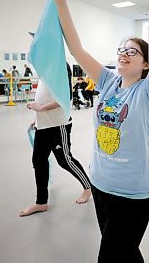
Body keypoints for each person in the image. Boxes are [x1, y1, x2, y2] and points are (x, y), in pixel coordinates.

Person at [49, 0, 149, 262]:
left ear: (144, 64)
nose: (124, 54)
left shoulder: (148, 91)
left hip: (134, 193)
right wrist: (61, 3)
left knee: (109, 256)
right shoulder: (109, 82)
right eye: (121, 50)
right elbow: (77, 50)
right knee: (124, 253)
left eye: (132, 51)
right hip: (101, 185)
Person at [20, 69, 92, 217]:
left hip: (58, 126)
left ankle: (88, 187)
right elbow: (43, 97)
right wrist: (37, 117)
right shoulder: (44, 73)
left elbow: (63, 98)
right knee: (39, 161)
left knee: (64, 160)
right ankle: (41, 202)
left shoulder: (59, 67)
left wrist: (40, 108)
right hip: (43, 126)